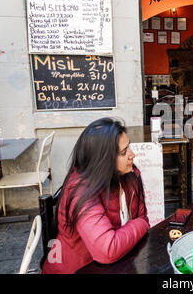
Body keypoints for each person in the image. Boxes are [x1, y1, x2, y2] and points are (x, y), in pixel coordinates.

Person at [42, 117, 150, 274]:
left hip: (117, 265)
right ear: (102, 160)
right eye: (123, 152)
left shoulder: (129, 175)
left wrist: (140, 223)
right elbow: (107, 250)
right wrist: (140, 224)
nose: (132, 155)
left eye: (129, 147)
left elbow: (141, 217)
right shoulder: (81, 191)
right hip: (78, 268)